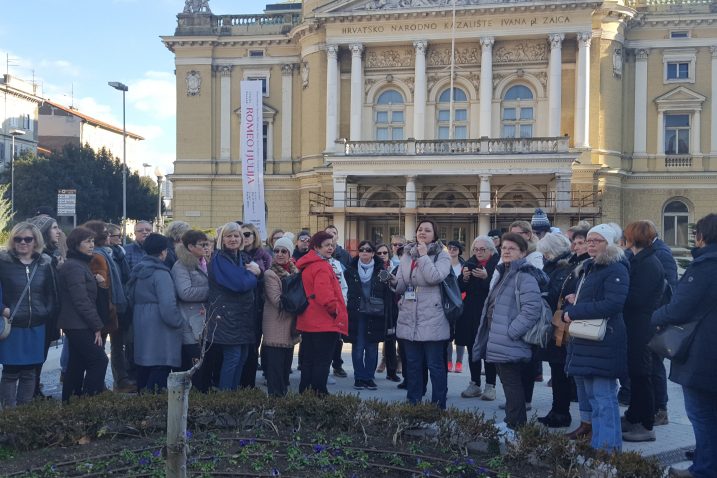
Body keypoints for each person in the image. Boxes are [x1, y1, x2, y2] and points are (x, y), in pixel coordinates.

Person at [652, 214, 717, 478]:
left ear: (702, 236)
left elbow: (680, 307)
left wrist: (655, 317)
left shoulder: (706, 265)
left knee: (702, 415)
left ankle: (703, 470)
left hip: (704, 353)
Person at [563, 224, 629, 452]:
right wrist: (576, 299)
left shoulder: (615, 268)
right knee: (594, 398)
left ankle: (609, 451)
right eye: (589, 240)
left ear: (609, 243)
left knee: (604, 398)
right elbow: (596, 298)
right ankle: (598, 445)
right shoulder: (591, 267)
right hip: (588, 341)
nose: (590, 244)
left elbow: (613, 304)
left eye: (597, 240)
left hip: (604, 341)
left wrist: (575, 311)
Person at [473, 233, 544, 429]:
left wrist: (511, 332)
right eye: (504, 248)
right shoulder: (504, 272)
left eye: (512, 248)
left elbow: (532, 310)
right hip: (500, 339)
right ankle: (513, 422)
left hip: (510, 340)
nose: (506, 251)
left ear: (523, 253)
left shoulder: (524, 275)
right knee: (509, 383)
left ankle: (515, 425)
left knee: (512, 384)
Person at [393, 220, 451, 409]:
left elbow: (434, 278)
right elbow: (401, 286)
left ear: (435, 234)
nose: (422, 233)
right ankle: (413, 403)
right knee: (413, 364)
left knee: (435, 365)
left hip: (433, 316)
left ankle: (438, 405)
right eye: (420, 229)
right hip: (409, 315)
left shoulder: (442, 255)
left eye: (427, 230)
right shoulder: (407, 255)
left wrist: (424, 256)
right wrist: (391, 281)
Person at [0, 223, 58, 408]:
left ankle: (25, 414)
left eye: (28, 239)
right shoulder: (3, 262)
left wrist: (46, 311)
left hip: (36, 325)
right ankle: (9, 414)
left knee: (30, 371)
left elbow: (52, 292)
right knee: (10, 372)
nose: (23, 242)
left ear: (35, 241)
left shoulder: (45, 263)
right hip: (13, 326)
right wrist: (2, 309)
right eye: (18, 239)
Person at [621, 221, 665, 442]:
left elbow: (638, 298)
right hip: (634, 324)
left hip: (641, 325)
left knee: (641, 374)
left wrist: (618, 295)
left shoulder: (649, 263)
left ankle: (646, 425)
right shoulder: (639, 260)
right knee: (634, 373)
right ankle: (633, 415)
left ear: (632, 238)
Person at [126, 234, 184, 393]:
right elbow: (168, 306)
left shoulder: (138, 269)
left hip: (141, 321)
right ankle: (154, 409)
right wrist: (180, 322)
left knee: (144, 369)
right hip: (160, 327)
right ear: (164, 252)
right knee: (159, 367)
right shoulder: (161, 273)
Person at [206, 222, 261, 391]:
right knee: (233, 356)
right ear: (222, 240)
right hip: (227, 317)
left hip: (242, 316)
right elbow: (240, 283)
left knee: (242, 356)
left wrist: (253, 274)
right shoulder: (219, 259)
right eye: (229, 236)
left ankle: (234, 394)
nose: (233, 239)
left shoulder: (242, 257)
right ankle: (225, 396)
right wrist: (256, 274)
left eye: (237, 236)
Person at [57, 227, 108, 402]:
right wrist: (96, 326)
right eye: (87, 241)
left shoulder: (80, 264)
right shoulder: (74, 266)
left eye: (93, 241)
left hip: (78, 323)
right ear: (76, 244)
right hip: (78, 324)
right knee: (99, 361)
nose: (91, 245)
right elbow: (81, 300)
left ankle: (72, 405)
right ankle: (89, 404)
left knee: (76, 365)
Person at [295, 231, 348, 395]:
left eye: (332, 245)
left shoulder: (309, 264)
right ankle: (319, 395)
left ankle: (306, 394)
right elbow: (325, 295)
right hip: (324, 322)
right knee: (322, 362)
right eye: (326, 245)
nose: (330, 248)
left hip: (309, 320)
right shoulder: (322, 266)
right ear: (316, 247)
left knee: (309, 361)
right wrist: (336, 310)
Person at [82, 220, 129, 391]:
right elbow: (100, 289)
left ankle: (99, 386)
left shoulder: (110, 253)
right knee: (99, 354)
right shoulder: (99, 257)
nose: (110, 236)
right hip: (103, 310)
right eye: (108, 233)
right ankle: (97, 388)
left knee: (104, 350)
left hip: (110, 307)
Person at [535, 232, 574, 428]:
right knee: (557, 371)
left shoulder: (562, 269)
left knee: (559, 372)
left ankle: (560, 412)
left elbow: (554, 295)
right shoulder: (558, 266)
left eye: (545, 252)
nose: (543, 256)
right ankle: (557, 410)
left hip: (559, 327)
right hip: (556, 325)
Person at [344, 240, 390, 390]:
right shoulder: (349, 270)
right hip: (356, 314)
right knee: (358, 347)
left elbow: (387, 293)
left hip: (375, 314)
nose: (365, 252)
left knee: (372, 347)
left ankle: (369, 377)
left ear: (372, 253)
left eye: (369, 250)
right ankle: (359, 377)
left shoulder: (381, 271)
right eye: (362, 249)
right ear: (358, 252)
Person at [458, 235, 499, 400]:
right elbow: (459, 286)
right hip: (470, 312)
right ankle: (474, 383)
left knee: (488, 350)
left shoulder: (498, 264)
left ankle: (491, 386)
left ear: (491, 250)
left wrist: (486, 278)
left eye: (483, 249)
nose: (479, 252)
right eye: (476, 249)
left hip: (489, 312)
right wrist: (465, 278)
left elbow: (497, 288)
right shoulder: (469, 263)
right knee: (471, 348)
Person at [27, 214, 64, 397]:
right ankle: (32, 392)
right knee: (36, 354)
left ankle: (35, 388)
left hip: (49, 312)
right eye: (54, 227)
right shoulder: (39, 257)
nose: (59, 231)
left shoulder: (51, 255)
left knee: (40, 354)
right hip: (40, 313)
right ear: (43, 231)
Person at [262, 235, 301, 396]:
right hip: (275, 324)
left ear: (289, 253)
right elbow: (277, 301)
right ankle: (275, 400)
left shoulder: (294, 271)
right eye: (276, 250)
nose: (279, 254)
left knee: (285, 368)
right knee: (275, 369)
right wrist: (299, 302)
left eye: (283, 251)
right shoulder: (270, 274)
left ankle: (281, 399)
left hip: (290, 325)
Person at [171, 230, 210, 386]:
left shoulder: (205, 261)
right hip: (189, 321)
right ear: (190, 246)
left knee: (204, 364)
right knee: (193, 365)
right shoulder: (181, 265)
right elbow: (185, 292)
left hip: (204, 320)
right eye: (202, 244)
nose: (206, 247)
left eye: (207, 244)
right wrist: (212, 292)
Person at [240, 223, 271, 388]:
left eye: (247, 234)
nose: (244, 238)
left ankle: (249, 385)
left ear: (254, 236)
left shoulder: (264, 256)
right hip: (240, 307)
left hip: (258, 306)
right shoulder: (234, 254)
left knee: (253, 347)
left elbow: (269, 278)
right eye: (241, 234)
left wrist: (259, 274)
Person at [374, 243, 401, 382]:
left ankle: (392, 371)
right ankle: (368, 373)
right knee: (373, 340)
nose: (382, 255)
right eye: (379, 253)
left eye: (385, 253)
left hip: (393, 308)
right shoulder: (372, 268)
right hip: (376, 307)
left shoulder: (396, 267)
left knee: (391, 340)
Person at [446, 240, 466, 373]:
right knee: (447, 333)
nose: (452, 250)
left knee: (460, 333)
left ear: (459, 250)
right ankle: (448, 361)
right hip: (447, 302)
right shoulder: (444, 264)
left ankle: (459, 362)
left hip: (462, 301)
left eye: (455, 248)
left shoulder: (464, 265)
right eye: (450, 248)